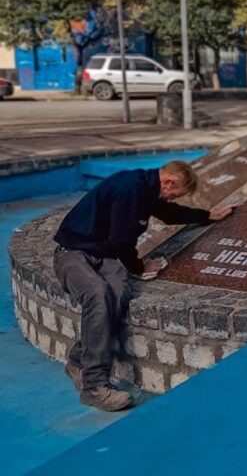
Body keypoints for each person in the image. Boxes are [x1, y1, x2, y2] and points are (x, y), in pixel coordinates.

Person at [53, 161, 233, 411]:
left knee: (118, 292)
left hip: (104, 257)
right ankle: (94, 388)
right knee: (98, 293)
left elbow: (170, 214)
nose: (171, 199)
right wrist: (138, 266)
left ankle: (78, 361)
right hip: (72, 253)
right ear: (168, 182)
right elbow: (120, 240)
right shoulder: (131, 188)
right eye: (174, 194)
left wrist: (206, 216)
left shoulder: (147, 189)